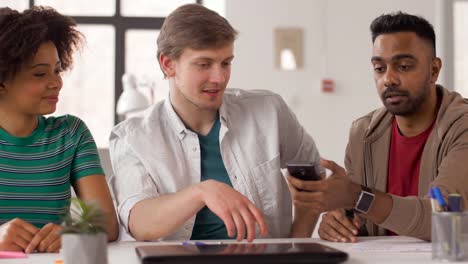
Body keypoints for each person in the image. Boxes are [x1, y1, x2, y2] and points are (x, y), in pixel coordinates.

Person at [110, 3, 322, 242]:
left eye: (226, 63)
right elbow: (139, 222)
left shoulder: (270, 111)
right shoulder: (132, 137)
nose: (219, 78)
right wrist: (201, 192)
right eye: (204, 64)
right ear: (168, 64)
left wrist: (297, 244)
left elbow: (312, 175)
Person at [287, 11, 468, 242]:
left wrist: (355, 196)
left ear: (434, 70)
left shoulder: (462, 127)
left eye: (403, 66)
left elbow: (443, 217)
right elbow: (359, 212)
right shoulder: (362, 133)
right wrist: (338, 220)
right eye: (379, 68)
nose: (388, 79)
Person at [0, 6, 119, 252]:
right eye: (40, 74)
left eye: (57, 70)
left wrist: (74, 232)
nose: (57, 83)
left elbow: (107, 222)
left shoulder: (71, 133)